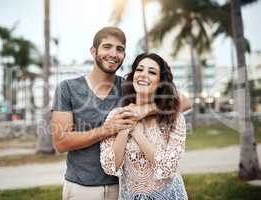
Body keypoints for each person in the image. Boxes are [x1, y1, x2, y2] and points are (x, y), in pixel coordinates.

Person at [51, 27, 191, 200]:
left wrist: (144, 110)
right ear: (93, 51)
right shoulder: (67, 88)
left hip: (121, 189)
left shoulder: (129, 87)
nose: (113, 53)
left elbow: (183, 101)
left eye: (120, 49)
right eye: (107, 46)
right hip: (82, 188)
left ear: (124, 56)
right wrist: (106, 129)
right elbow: (61, 142)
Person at [100, 53, 188, 200]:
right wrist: (126, 126)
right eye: (140, 70)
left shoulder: (174, 119)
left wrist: (137, 133)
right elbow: (110, 166)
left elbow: (166, 168)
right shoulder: (117, 115)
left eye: (152, 72)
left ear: (161, 82)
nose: (143, 75)